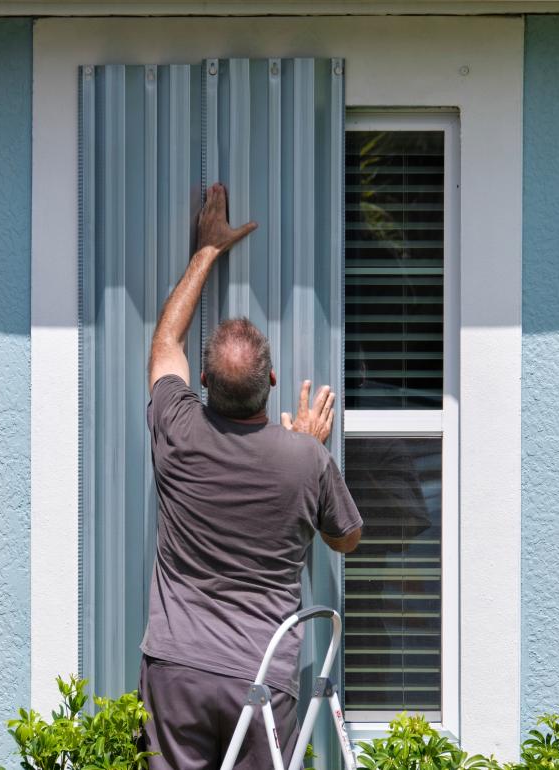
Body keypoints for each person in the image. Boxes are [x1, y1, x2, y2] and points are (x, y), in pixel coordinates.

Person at [139, 182, 363, 770]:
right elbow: (347, 538)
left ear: (204, 385)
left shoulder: (178, 427)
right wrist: (309, 458)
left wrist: (206, 252)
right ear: (271, 382)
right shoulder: (304, 460)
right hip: (258, 678)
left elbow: (166, 344)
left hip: (176, 670)